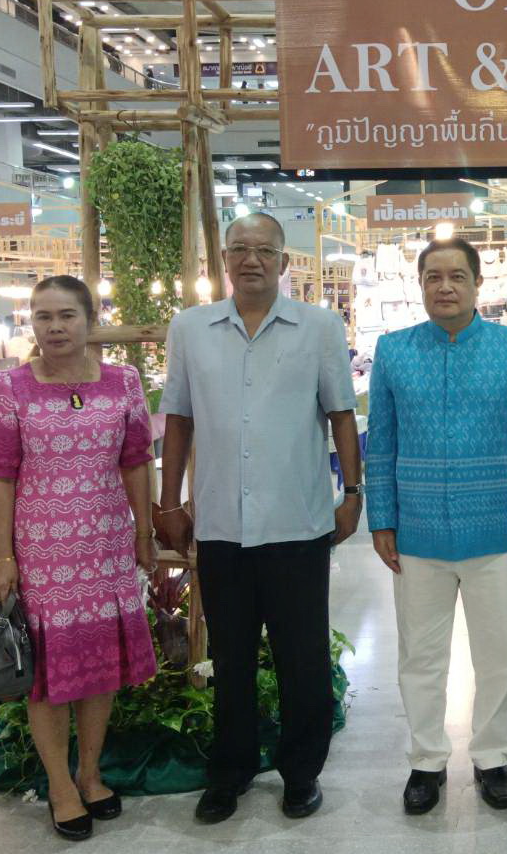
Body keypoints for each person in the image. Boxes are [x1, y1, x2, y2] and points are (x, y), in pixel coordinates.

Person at [156, 212, 361, 825]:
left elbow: (342, 414)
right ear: (224, 260)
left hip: (298, 524)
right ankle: (232, 770)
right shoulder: (190, 328)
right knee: (232, 657)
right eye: (239, 250)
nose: (251, 260)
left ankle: (301, 773)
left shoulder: (319, 327)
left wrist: (353, 492)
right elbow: (178, 420)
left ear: (283, 262)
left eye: (264, 250)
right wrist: (169, 503)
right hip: (221, 526)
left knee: (302, 659)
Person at [366, 237, 507, 815]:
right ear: (419, 285)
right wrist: (382, 519)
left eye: (457, 276)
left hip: (497, 530)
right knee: (421, 656)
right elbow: (382, 444)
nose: (445, 287)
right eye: (433, 277)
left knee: (498, 655)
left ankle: (493, 757)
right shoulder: (393, 351)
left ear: (477, 285)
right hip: (417, 532)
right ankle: (426, 761)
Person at [0, 275, 158, 842]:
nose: (54, 327)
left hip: (106, 544)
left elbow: (135, 460)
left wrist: (143, 529)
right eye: (42, 316)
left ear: (89, 320)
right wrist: (2, 554)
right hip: (41, 553)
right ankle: (60, 784)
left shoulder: (123, 381)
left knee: (99, 665)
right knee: (51, 676)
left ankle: (90, 771)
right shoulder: (7, 387)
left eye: (66, 316)